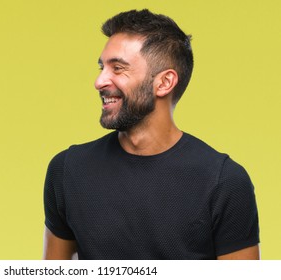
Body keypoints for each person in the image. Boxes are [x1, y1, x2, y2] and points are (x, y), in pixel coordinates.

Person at [42, 9, 259, 260]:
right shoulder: (67, 170)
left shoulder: (225, 182)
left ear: (164, 83)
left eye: (118, 68)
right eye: (102, 67)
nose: (99, 81)